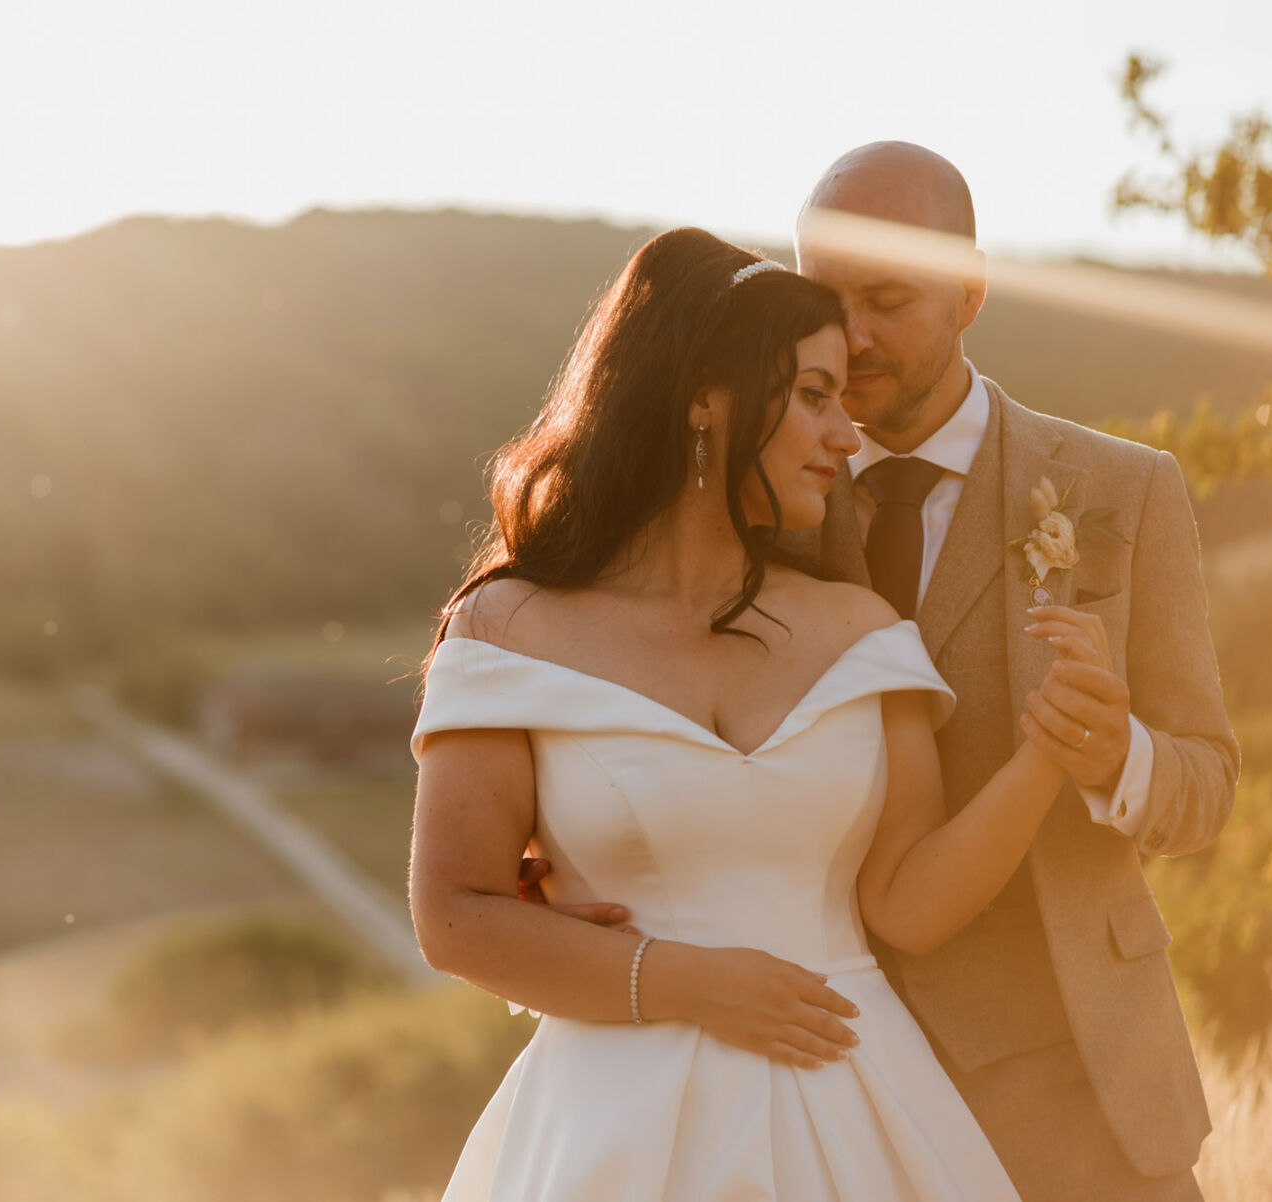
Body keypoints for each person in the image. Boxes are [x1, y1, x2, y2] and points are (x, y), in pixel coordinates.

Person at [522, 145, 1241, 1201]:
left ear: (972, 290)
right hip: (812, 1078)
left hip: (1072, 1076)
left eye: (889, 298)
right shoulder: (744, 506)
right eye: (828, 297)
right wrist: (574, 835)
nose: (852, 336)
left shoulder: (1121, 493)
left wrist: (1116, 753)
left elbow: (1208, 783)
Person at [408, 226, 1118, 1200]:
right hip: (612, 1122)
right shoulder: (507, 626)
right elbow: (453, 914)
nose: (846, 433)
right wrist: (687, 981)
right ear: (706, 396)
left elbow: (908, 900)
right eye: (815, 396)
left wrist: (1047, 753)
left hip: (853, 1105)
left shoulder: (860, 629)